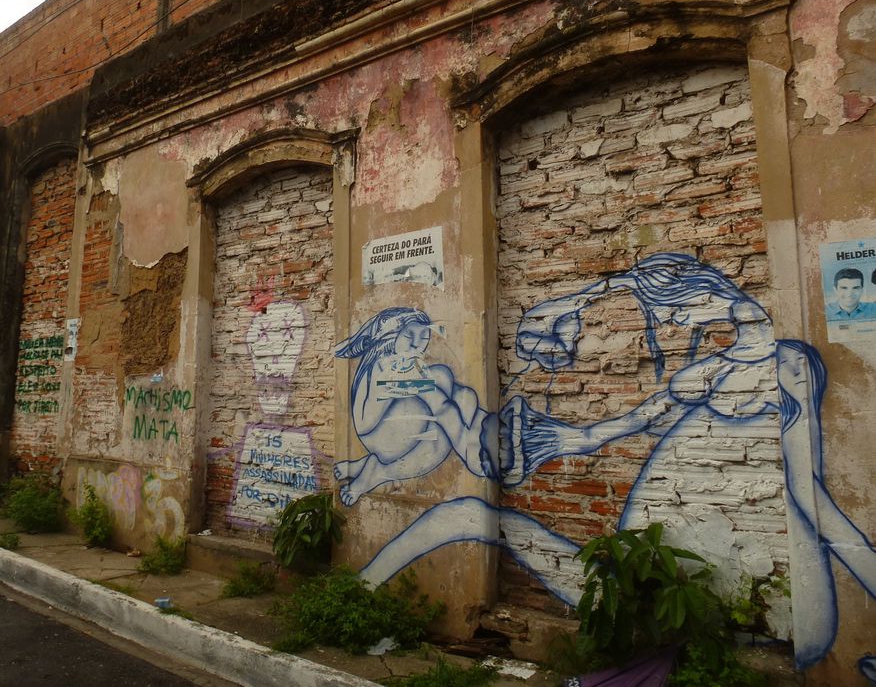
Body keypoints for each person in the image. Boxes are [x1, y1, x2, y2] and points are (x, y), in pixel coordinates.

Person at [350, 255, 876, 673]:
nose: (670, 327)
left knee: (466, 511)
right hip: (640, 558)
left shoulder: (786, 364)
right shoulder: (704, 374)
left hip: (698, 566)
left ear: (700, 299)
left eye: (672, 314)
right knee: (465, 508)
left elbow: (811, 497)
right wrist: (547, 441)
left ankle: (353, 596)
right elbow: (603, 433)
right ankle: (353, 595)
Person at [333, 307, 498, 507]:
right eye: (409, 335)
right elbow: (439, 404)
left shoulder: (389, 361)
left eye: (423, 336)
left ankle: (363, 464)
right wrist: (466, 449)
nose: (416, 344)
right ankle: (375, 473)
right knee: (442, 430)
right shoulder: (391, 367)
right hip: (378, 436)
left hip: (389, 424)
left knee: (455, 386)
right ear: (390, 336)